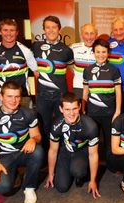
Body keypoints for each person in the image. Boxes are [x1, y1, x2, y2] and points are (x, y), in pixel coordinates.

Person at [0, 81, 43, 203]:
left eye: (17, 96)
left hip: (24, 152)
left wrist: (33, 139)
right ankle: (15, 173)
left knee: (38, 152)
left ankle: (29, 188)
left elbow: (37, 136)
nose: (13, 100)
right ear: (1, 97)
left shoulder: (29, 113)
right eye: (9, 96)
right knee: (2, 188)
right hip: (4, 155)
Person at [45, 93, 101, 198]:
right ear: (61, 109)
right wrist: (51, 173)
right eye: (67, 109)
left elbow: (93, 154)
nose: (71, 113)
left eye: (74, 108)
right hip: (65, 151)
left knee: (78, 171)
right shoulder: (56, 125)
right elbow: (53, 151)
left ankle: (82, 172)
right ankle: (68, 170)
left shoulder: (90, 126)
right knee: (61, 187)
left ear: (79, 107)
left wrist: (93, 180)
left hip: (82, 152)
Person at [31, 15, 74, 153]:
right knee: (44, 126)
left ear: (59, 29)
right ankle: (44, 154)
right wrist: (34, 71)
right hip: (42, 95)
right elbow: (30, 64)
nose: (51, 30)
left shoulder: (67, 50)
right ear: (43, 30)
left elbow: (73, 70)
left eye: (54, 27)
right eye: (47, 27)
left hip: (60, 95)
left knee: (62, 124)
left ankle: (62, 152)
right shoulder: (36, 46)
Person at [0, 18, 37, 111]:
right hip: (3, 98)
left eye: (12, 30)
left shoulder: (26, 51)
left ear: (17, 32)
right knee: (5, 124)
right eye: (5, 30)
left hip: (23, 97)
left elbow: (37, 72)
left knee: (26, 124)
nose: (9, 34)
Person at [82, 38, 122, 159]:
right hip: (92, 113)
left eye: (104, 52)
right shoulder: (87, 70)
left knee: (110, 142)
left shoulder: (114, 70)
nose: (101, 55)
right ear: (93, 52)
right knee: (92, 140)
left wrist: (118, 111)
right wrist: (83, 110)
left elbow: (118, 92)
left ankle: (111, 165)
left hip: (109, 113)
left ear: (108, 53)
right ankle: (92, 164)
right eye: (98, 52)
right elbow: (85, 91)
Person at [70, 23, 97, 100]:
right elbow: (70, 65)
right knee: (79, 111)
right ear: (81, 35)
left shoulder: (100, 48)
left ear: (96, 35)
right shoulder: (73, 48)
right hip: (79, 87)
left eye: (92, 33)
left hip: (96, 88)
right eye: (86, 33)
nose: (89, 37)